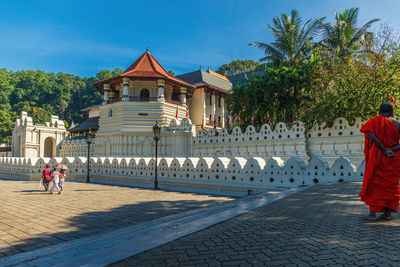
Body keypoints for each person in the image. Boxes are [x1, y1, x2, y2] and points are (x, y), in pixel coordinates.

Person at [360, 103, 400, 220]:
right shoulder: (397, 124)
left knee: (374, 183)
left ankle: (373, 214)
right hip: (393, 158)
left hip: (379, 157)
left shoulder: (374, 121)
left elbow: (372, 136)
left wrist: (383, 150)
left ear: (380, 112)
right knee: (390, 185)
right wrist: (390, 150)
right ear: (392, 113)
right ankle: (387, 213)